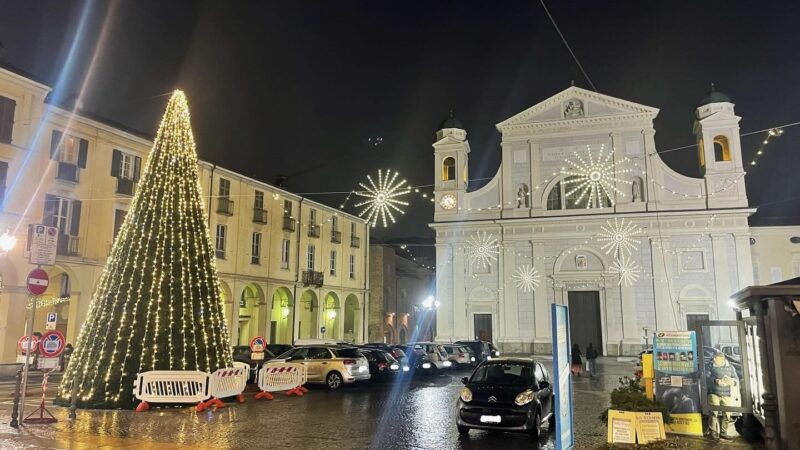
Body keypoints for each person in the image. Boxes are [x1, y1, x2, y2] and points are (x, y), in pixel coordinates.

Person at [707, 352, 739, 440]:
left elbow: (736, 378)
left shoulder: (730, 367)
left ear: (722, 359)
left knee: (727, 413)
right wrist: (715, 380)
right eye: (714, 358)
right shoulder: (711, 366)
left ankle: (723, 432)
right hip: (714, 393)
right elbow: (706, 377)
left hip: (726, 393)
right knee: (713, 412)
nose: (714, 360)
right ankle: (712, 431)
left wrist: (733, 382)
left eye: (716, 359)